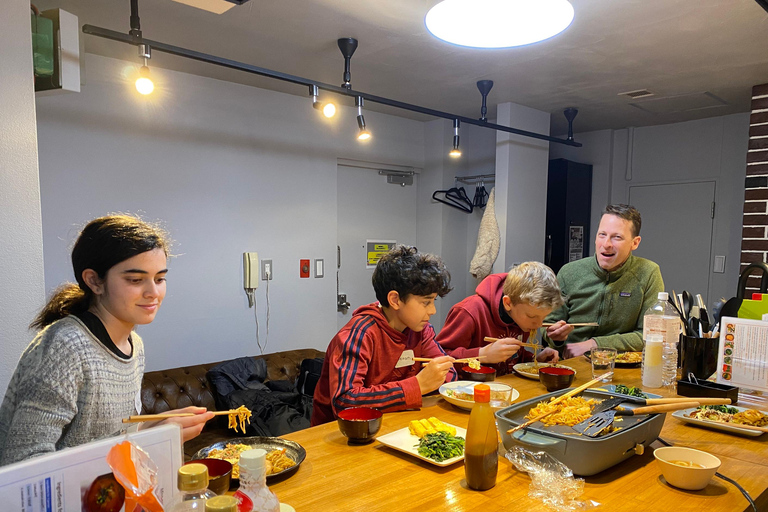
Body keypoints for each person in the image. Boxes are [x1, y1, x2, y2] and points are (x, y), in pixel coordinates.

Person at [0, 214, 214, 466]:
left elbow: (114, 437)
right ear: (94, 281)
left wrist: (159, 427)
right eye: (135, 280)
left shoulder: (135, 345)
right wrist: (151, 439)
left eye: (159, 278)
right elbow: (23, 463)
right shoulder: (66, 346)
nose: (153, 293)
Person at [311, 245, 458, 426]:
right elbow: (345, 401)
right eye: (426, 302)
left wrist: (436, 376)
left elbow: (449, 372)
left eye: (433, 301)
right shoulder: (359, 335)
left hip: (394, 423)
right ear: (395, 300)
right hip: (341, 433)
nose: (433, 310)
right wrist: (417, 386)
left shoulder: (420, 330)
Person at [544, 204, 664, 358]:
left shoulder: (648, 273)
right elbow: (548, 324)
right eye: (602, 234)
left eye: (617, 237)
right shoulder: (569, 272)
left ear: (635, 243)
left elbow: (650, 335)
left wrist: (595, 344)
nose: (606, 244)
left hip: (620, 365)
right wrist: (556, 337)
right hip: (569, 364)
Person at [436, 262, 562, 375]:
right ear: (508, 303)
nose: (538, 324)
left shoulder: (521, 316)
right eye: (532, 316)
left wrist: (535, 360)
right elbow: (437, 358)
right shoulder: (469, 312)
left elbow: (513, 357)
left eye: (543, 317)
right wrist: (482, 355)